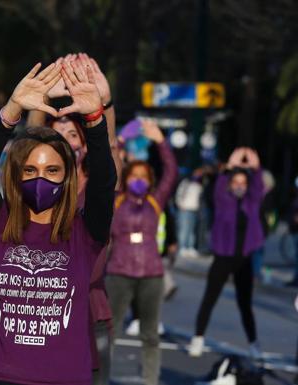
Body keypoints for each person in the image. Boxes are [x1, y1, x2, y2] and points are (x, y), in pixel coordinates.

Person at [0, 60, 116, 384]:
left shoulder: (83, 234)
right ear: (16, 175)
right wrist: (11, 111)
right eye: (30, 171)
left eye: (52, 171)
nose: (40, 179)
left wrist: (95, 120)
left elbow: (104, 180)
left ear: (67, 177)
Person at [28, 53, 121, 385]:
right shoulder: (38, 188)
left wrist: (104, 104)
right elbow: (27, 145)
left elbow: (108, 151)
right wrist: (39, 100)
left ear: (84, 141)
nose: (66, 138)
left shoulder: (97, 185)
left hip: (90, 309)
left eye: (73, 132)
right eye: (58, 132)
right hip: (42, 306)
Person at [105, 119, 178, 385]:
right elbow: (109, 167)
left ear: (149, 180)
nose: (138, 180)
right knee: (108, 331)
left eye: (143, 177)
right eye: (133, 176)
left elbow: (171, 172)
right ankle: (99, 379)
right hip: (119, 271)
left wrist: (161, 141)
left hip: (151, 274)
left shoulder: (155, 202)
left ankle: (151, 380)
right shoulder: (118, 199)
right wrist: (121, 141)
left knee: (150, 335)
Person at [190, 147, 265, 359]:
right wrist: (230, 167)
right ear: (230, 184)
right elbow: (219, 186)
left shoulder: (251, 203)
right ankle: (198, 337)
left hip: (244, 260)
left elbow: (258, 188)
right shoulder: (224, 201)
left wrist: (255, 166)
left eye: (243, 183)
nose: (239, 186)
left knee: (245, 304)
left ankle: (253, 343)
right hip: (223, 257)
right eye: (236, 182)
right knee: (209, 298)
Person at [176, 169, 204, 257]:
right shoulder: (186, 182)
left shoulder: (199, 185)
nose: (198, 174)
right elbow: (179, 194)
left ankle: (190, 247)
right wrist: (180, 204)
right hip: (185, 209)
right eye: (197, 172)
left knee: (192, 230)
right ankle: (182, 247)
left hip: (194, 210)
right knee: (184, 229)